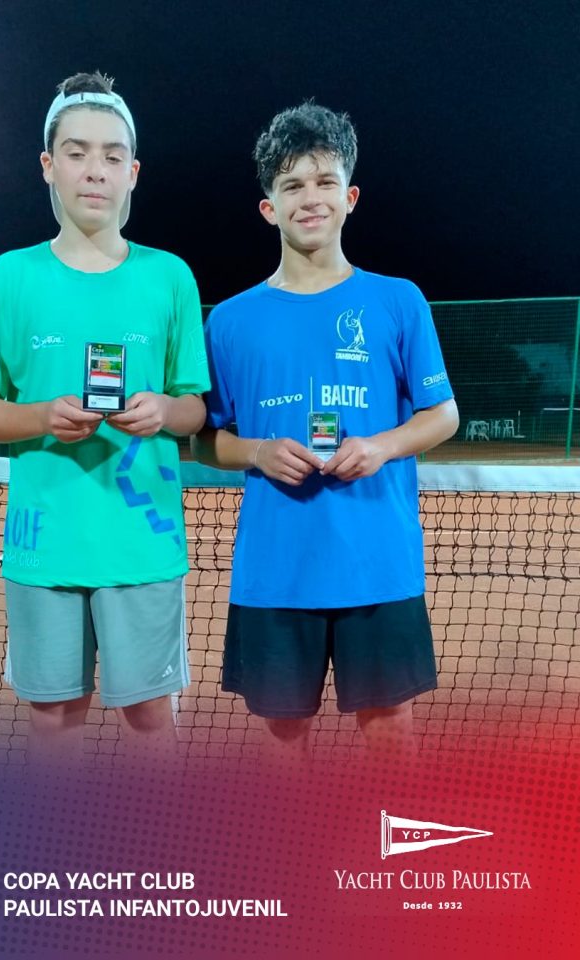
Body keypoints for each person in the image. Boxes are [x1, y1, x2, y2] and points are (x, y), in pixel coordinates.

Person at [0, 71, 210, 766]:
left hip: (143, 547)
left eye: (111, 155)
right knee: (53, 719)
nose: (95, 169)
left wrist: (164, 411)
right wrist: (41, 414)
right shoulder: (5, 278)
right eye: (77, 152)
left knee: (150, 718)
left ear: (132, 172)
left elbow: (194, 407)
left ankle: (160, 838)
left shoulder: (171, 277)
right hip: (43, 549)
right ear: (49, 165)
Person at [192, 101, 459, 765]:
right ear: (269, 208)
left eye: (323, 181)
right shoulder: (229, 321)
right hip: (276, 571)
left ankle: (387, 841)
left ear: (350, 197)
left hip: (378, 565)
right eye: (292, 185)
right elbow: (202, 439)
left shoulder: (398, 301)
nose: (309, 198)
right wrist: (256, 451)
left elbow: (443, 415)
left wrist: (380, 447)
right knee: (283, 743)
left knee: (390, 732)